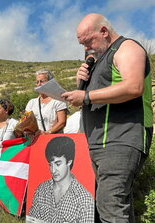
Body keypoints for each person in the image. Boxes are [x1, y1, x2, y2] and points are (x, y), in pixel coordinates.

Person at [62, 13, 153, 223]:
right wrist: (81, 83)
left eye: (87, 41)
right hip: (100, 143)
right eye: (82, 44)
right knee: (116, 205)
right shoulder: (98, 60)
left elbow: (133, 86)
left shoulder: (127, 48)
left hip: (121, 139)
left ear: (103, 31)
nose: (85, 48)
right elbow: (96, 99)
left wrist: (85, 96)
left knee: (110, 205)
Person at [27, 136, 94, 223]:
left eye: (58, 164)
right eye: (50, 165)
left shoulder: (84, 200)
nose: (53, 170)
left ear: (69, 162)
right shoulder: (41, 189)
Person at [25, 69, 68, 134]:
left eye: (42, 81)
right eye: (37, 82)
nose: (39, 84)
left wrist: (48, 132)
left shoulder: (58, 100)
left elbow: (62, 122)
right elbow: (26, 121)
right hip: (36, 139)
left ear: (50, 83)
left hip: (54, 139)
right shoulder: (32, 103)